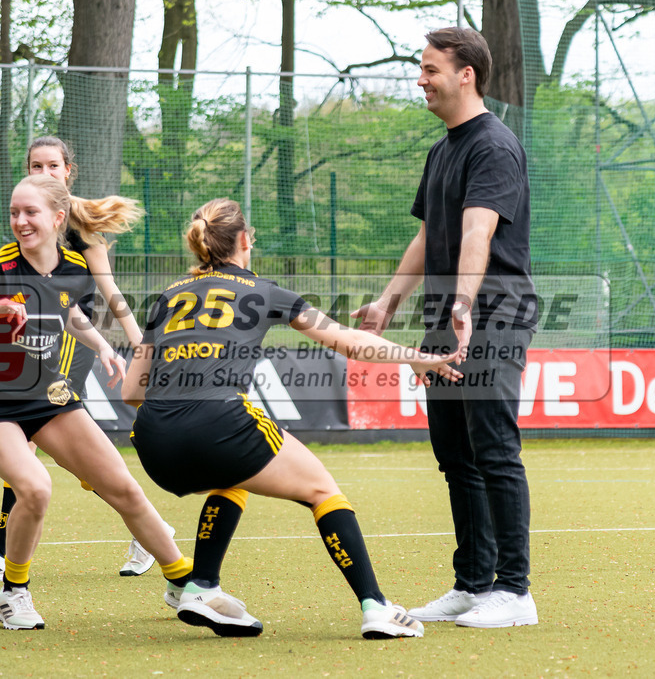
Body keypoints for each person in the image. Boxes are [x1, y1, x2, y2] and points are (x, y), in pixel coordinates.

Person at [122, 198, 464, 639]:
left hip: (151, 441)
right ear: (246, 240)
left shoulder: (167, 297)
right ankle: (377, 607)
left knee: (233, 477)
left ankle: (201, 587)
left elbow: (132, 391)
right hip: (218, 422)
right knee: (323, 490)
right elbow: (349, 343)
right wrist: (417, 359)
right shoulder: (264, 291)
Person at [0, 175, 191, 629]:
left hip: (46, 398)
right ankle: (12, 595)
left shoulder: (75, 266)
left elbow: (69, 309)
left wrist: (100, 345)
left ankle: (184, 583)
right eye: (15, 212)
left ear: (59, 219)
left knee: (123, 487)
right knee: (36, 487)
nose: (20, 221)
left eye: (31, 212)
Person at [351, 27, 538, 628]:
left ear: (467, 75)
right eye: (421, 68)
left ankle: (515, 592)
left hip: (492, 314)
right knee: (455, 454)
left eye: (431, 68)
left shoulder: (494, 146)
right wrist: (387, 304)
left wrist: (462, 307)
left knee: (494, 450)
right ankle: (473, 582)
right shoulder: (442, 151)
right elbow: (430, 235)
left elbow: (479, 233)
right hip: (446, 319)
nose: (420, 78)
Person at [0, 137, 168, 583]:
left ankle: (1, 553)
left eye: (52, 165)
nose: (43, 173)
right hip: (41, 339)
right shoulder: (28, 221)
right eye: (35, 165)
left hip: (67, 345)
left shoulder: (81, 233)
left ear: (70, 170)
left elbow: (112, 296)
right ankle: (150, 529)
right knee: (60, 458)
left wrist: (137, 345)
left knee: (37, 445)